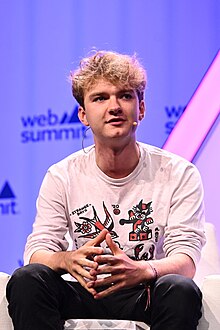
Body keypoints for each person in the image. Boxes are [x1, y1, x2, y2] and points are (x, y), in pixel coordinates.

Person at [6, 50, 206, 330]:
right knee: (28, 279)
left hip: (144, 293)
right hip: (83, 292)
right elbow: (38, 250)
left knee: (180, 289)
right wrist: (66, 260)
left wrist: (142, 270)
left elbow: (186, 260)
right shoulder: (62, 175)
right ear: (83, 115)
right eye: (100, 98)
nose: (114, 106)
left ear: (142, 108)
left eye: (124, 96)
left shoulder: (179, 173)